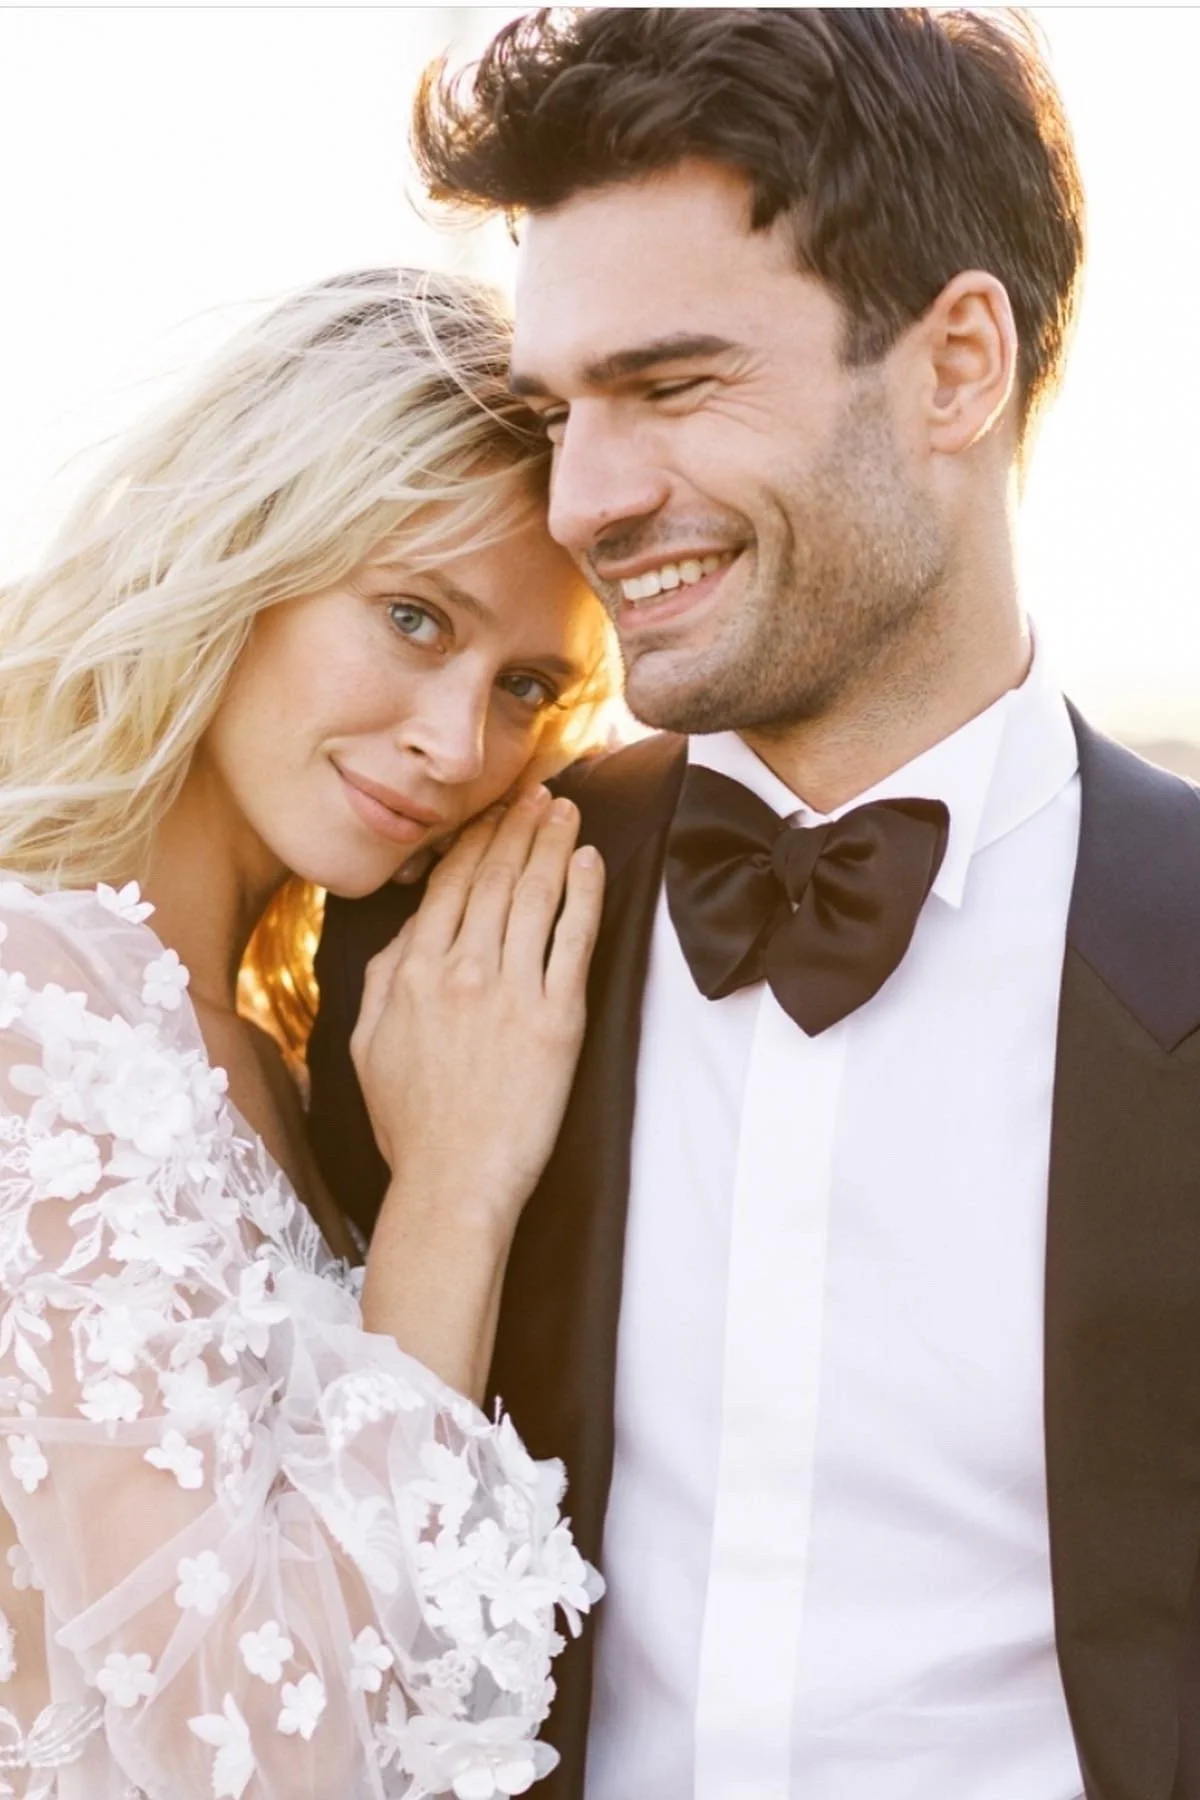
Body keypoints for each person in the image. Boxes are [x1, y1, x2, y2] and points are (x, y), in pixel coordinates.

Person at [308, 10, 1200, 1800]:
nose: (589, 500)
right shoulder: (429, 929)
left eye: (676, 384)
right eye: (566, 410)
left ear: (958, 366)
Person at [0, 267, 616, 1798]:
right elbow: (255, 1753)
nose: (457, 744)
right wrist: (454, 1199)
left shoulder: (269, 1046)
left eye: (526, 685)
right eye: (413, 618)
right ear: (242, 550)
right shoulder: (35, 1007)